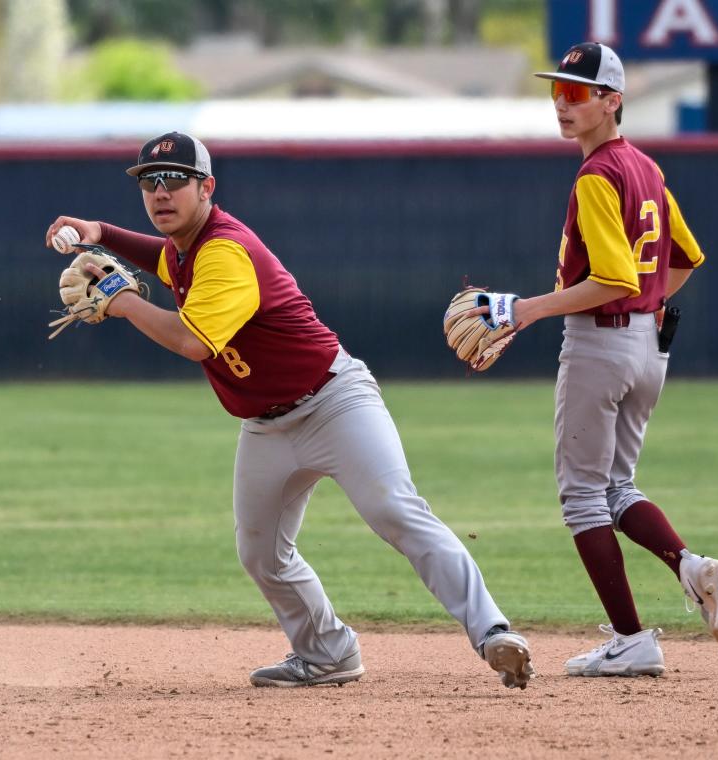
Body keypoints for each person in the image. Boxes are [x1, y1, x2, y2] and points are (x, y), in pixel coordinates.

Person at [44, 131, 535, 689]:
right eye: (150, 182)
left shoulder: (225, 250)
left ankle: (493, 631)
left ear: (207, 188)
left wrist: (122, 299)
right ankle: (327, 653)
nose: (161, 192)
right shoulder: (186, 248)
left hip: (334, 403)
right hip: (267, 427)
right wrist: (101, 233)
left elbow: (192, 342)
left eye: (176, 180)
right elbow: (162, 256)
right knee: (260, 552)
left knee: (394, 510)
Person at [491, 43, 718, 676]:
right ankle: (691, 569)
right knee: (616, 487)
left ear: (613, 101)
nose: (563, 103)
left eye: (578, 94)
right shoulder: (646, 168)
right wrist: (645, 306)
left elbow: (609, 279)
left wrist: (526, 309)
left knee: (582, 499)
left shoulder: (598, 176)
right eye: (558, 92)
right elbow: (684, 258)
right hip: (646, 346)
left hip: (601, 343)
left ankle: (632, 641)